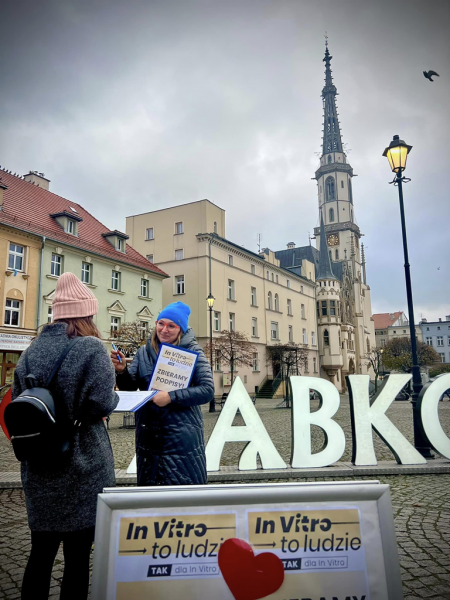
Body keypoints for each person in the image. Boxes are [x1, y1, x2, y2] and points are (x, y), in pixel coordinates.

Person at [12, 273, 118, 600]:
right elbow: (102, 403)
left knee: (40, 554)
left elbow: (20, 401)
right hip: (82, 466)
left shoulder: (31, 350)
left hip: (39, 466)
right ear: (85, 314)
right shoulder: (91, 348)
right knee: (76, 559)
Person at [111, 301, 214, 486]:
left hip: (181, 440)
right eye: (161, 323)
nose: (164, 329)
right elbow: (131, 387)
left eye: (171, 326)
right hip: (148, 439)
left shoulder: (192, 350)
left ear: (180, 329)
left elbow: (207, 390)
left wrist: (171, 397)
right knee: (150, 500)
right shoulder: (143, 352)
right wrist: (122, 371)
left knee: (181, 501)